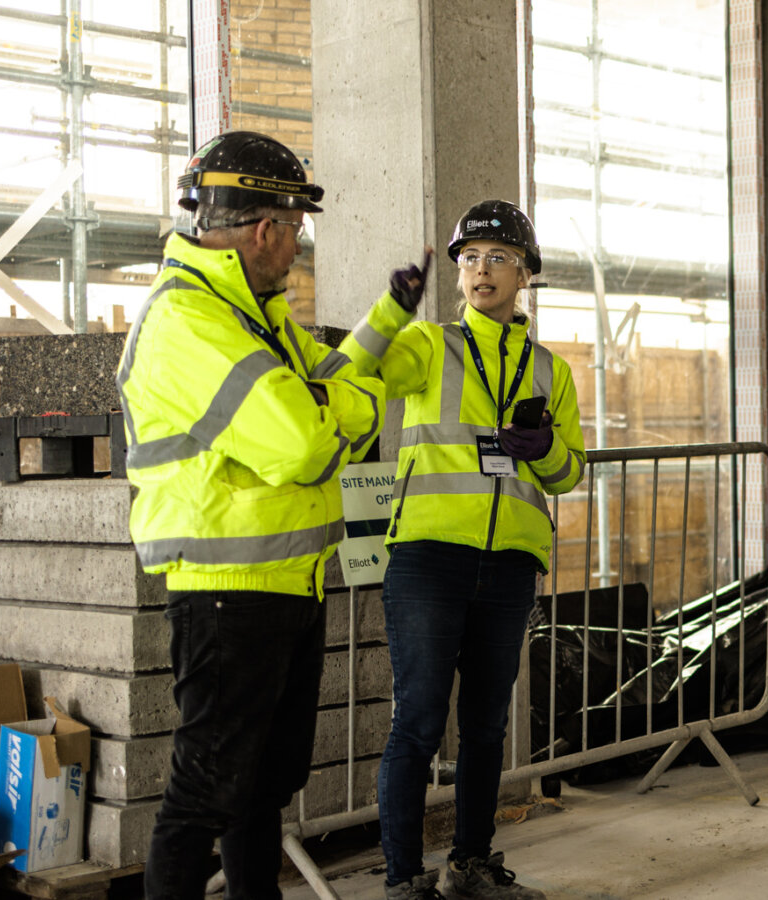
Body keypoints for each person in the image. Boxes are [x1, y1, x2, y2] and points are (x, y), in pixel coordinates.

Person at [116, 131, 398, 899]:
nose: (297, 250)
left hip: (285, 583)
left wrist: (335, 399)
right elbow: (305, 446)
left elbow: (334, 398)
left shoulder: (257, 315)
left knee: (262, 790)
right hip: (226, 589)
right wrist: (343, 406)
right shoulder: (187, 322)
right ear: (266, 229)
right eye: (296, 231)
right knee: (203, 794)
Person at [342, 199, 585, 900]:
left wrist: (547, 451)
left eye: (498, 258)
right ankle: (401, 879)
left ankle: (471, 865)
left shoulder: (549, 370)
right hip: (428, 559)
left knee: (484, 726)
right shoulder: (427, 347)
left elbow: (570, 475)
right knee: (417, 719)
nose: (482, 270)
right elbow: (346, 370)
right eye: (470, 258)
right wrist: (389, 311)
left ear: (525, 276)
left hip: (509, 563)